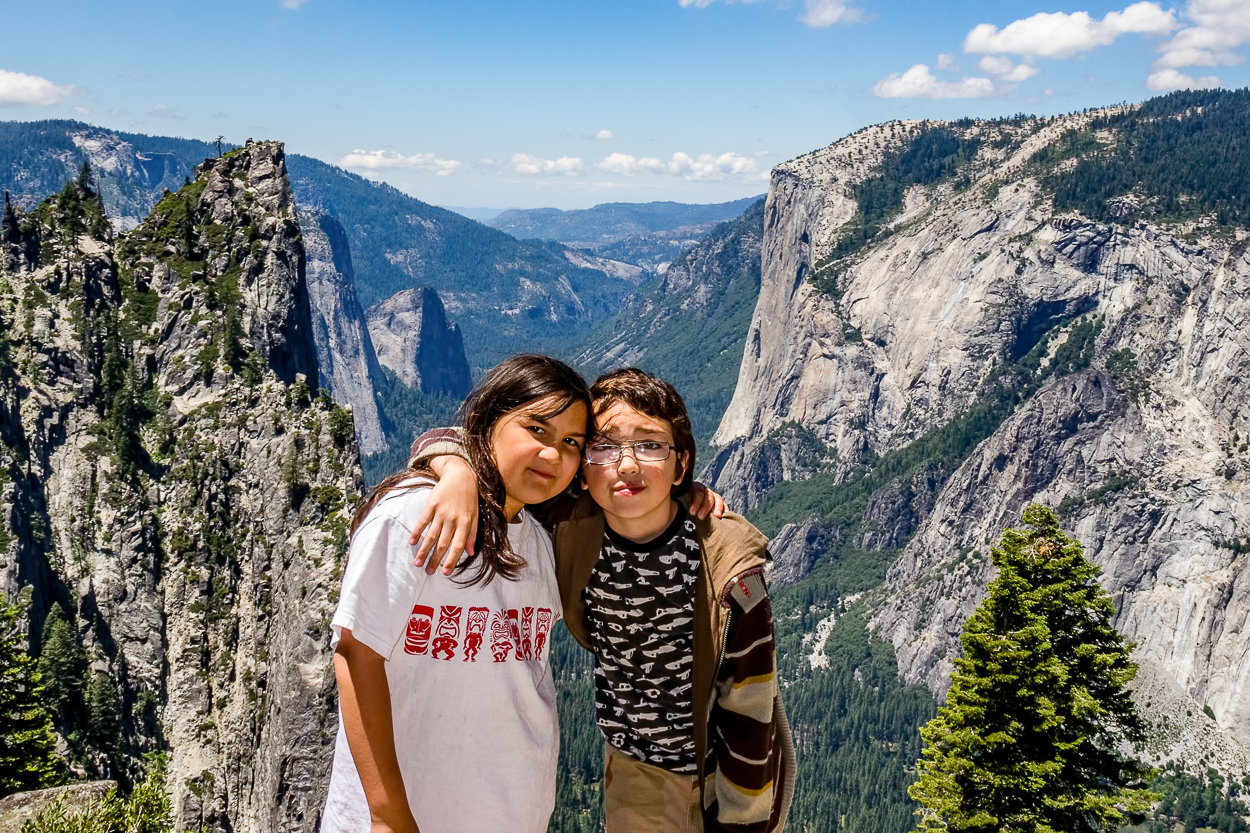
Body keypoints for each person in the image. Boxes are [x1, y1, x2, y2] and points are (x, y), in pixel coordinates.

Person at [408, 368, 796, 833]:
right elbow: (466, 441)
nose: (627, 465)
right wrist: (456, 472)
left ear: (682, 462)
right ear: (582, 467)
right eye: (605, 446)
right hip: (638, 775)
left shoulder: (728, 563)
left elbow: (749, 705)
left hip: (725, 772)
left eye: (650, 445)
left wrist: (741, 824)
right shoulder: (571, 521)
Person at [321, 354, 593, 833]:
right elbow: (355, 653)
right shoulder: (413, 516)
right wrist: (388, 816)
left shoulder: (540, 541)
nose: (553, 454)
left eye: (571, 441)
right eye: (537, 429)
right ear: (487, 422)